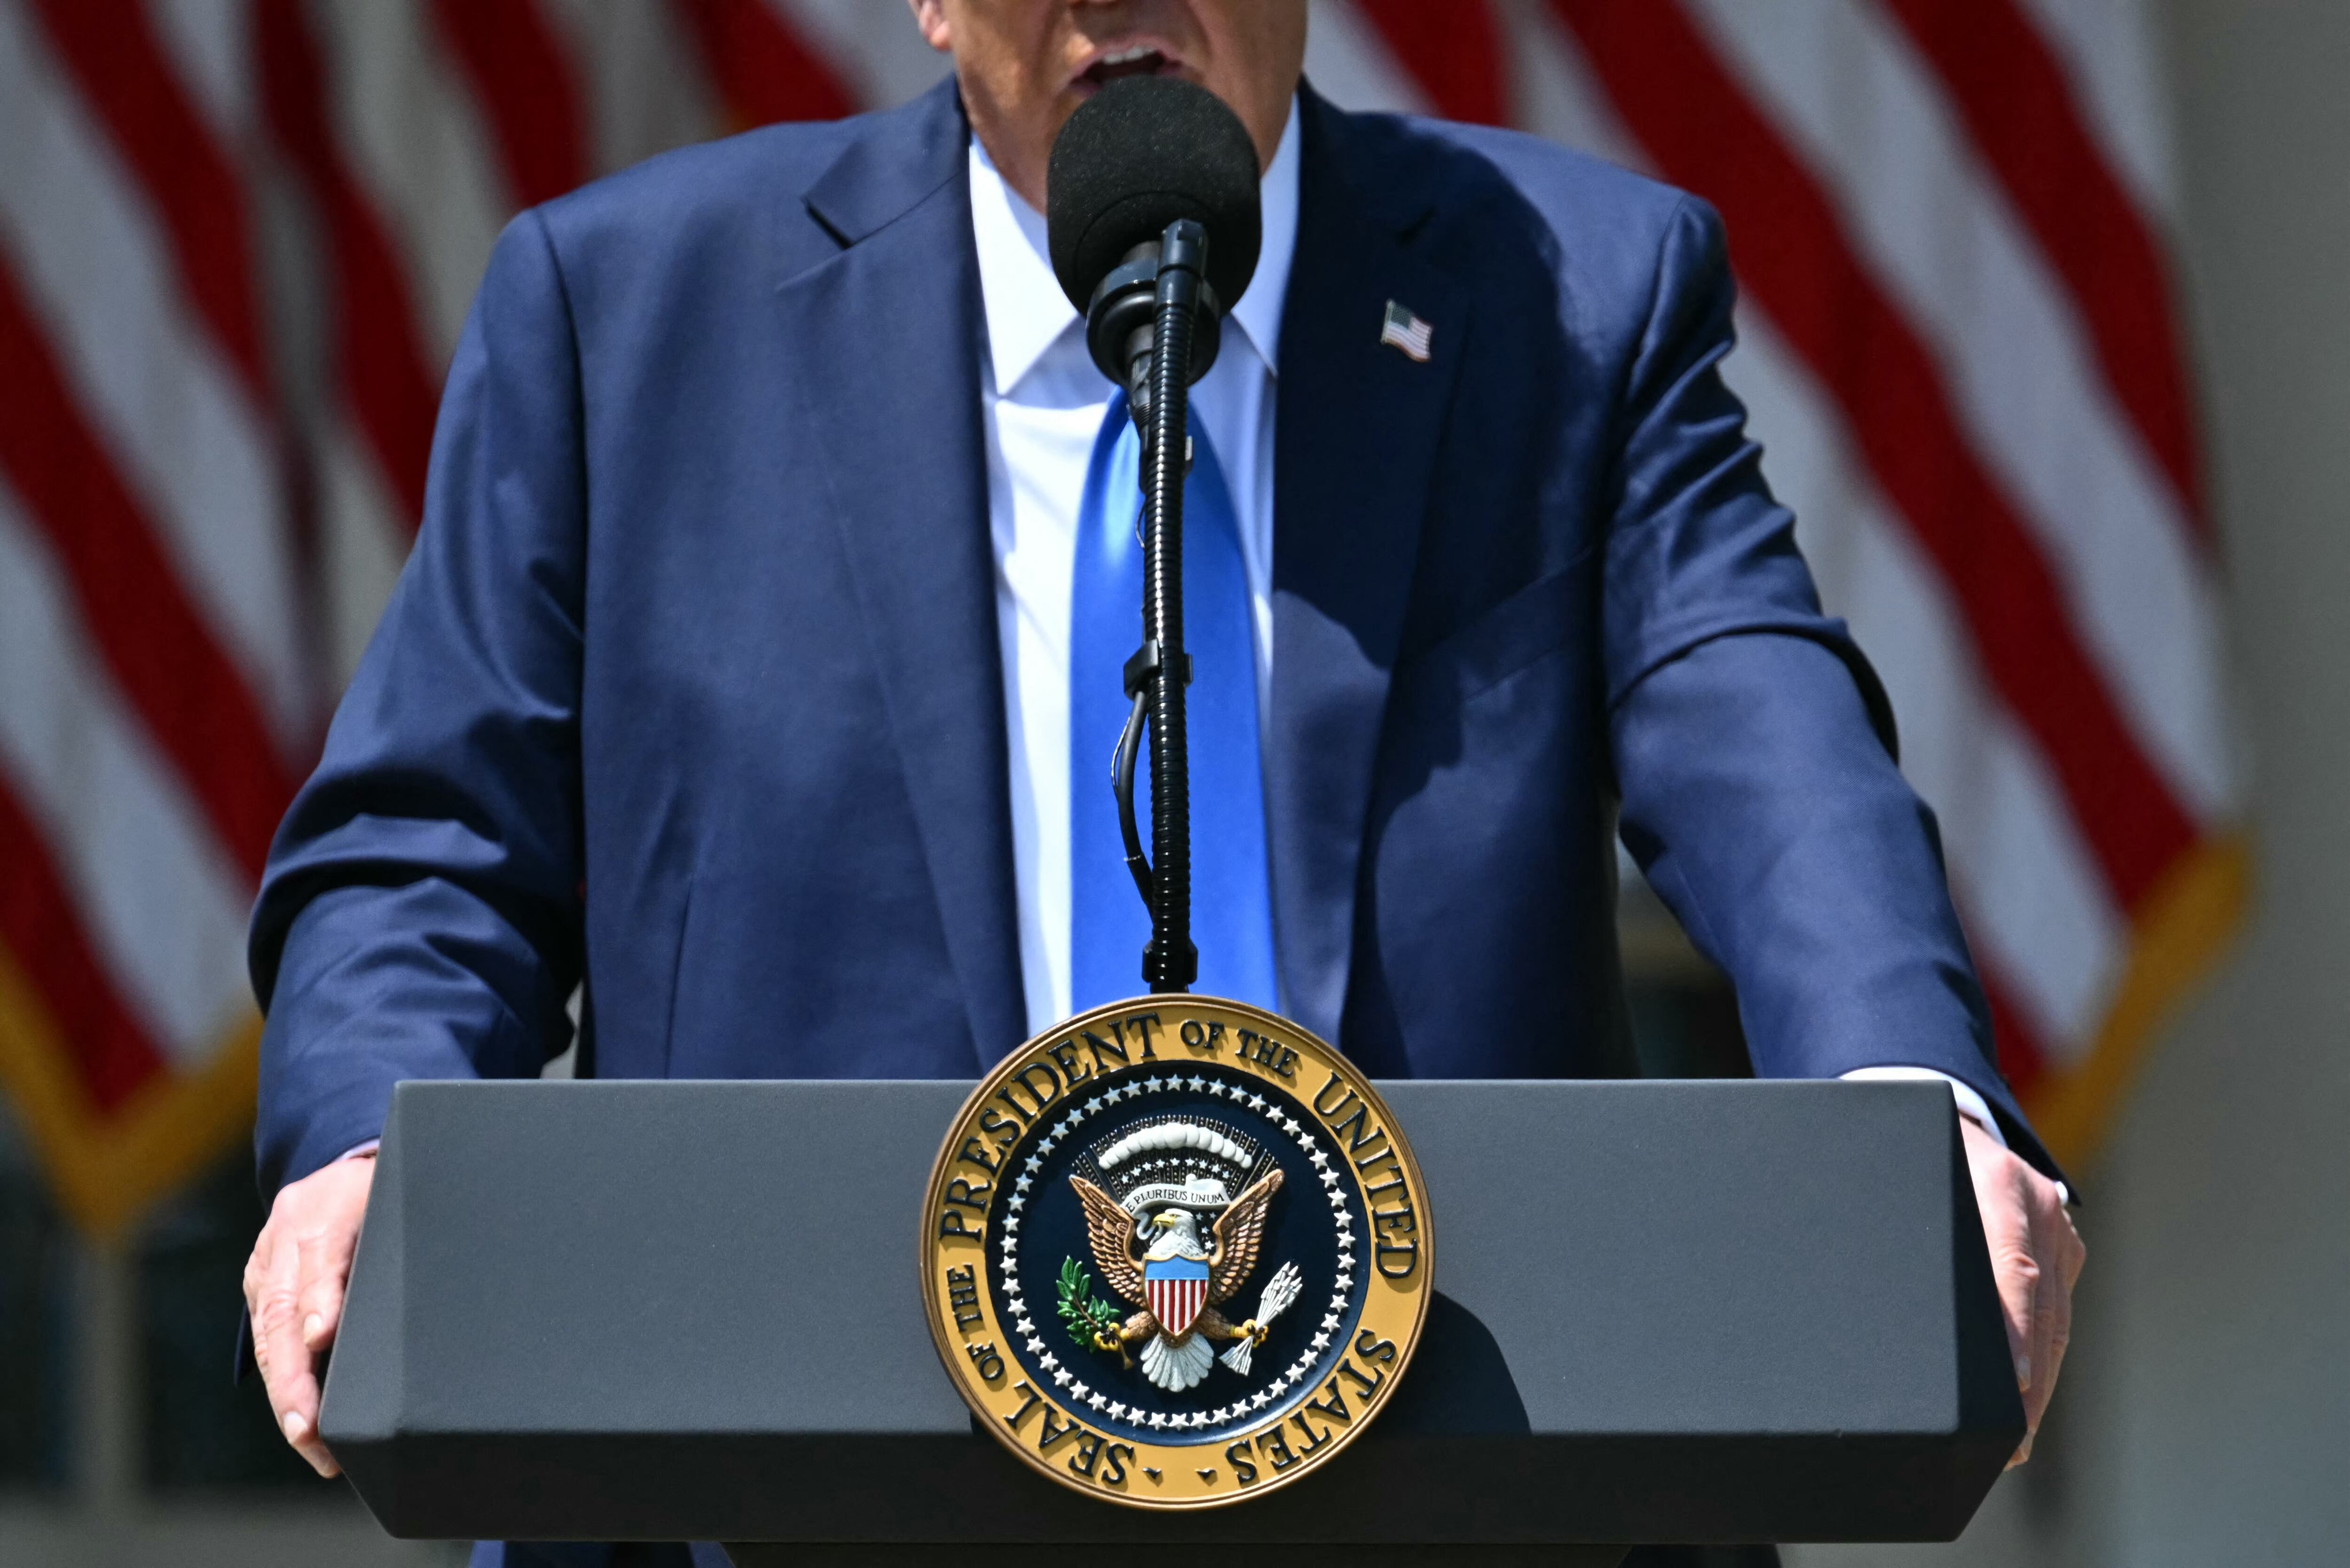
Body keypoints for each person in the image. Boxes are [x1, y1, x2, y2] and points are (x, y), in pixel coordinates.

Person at [241, 1, 2084, 1559]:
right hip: (782, 1498)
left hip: (1444, 1482)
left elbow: (1749, 718)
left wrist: (1899, 1082)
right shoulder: (631, 314)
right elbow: (430, 846)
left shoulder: (1566, 297)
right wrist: (357, 1146)